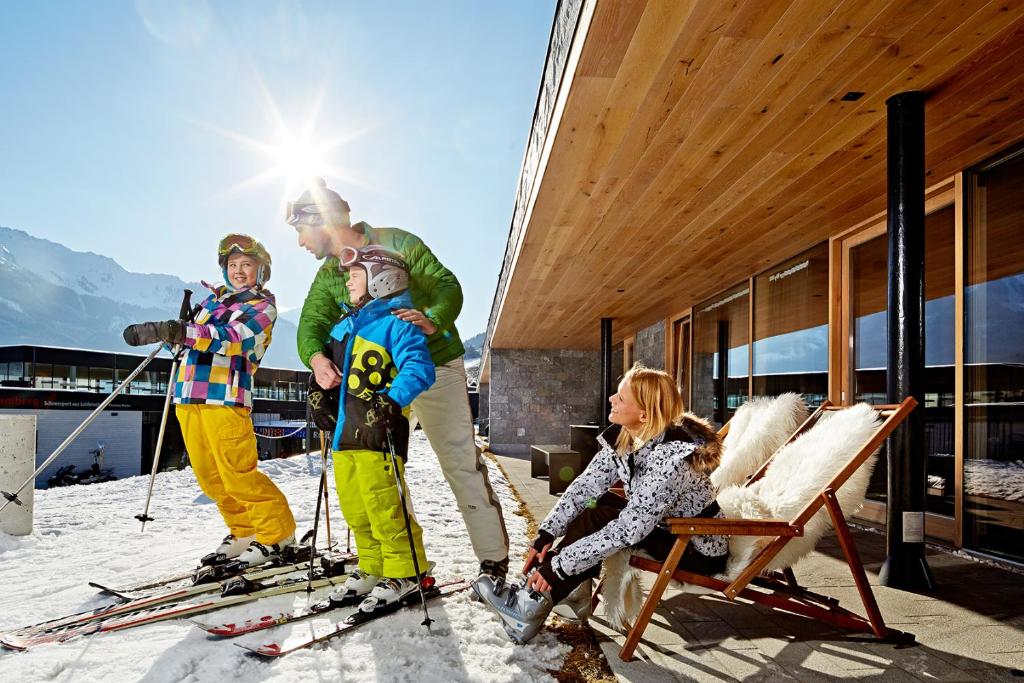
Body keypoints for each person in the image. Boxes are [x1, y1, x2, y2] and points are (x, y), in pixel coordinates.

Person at [289, 178, 510, 580]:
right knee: (381, 465)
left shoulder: (397, 241)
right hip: (376, 380)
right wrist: (318, 359)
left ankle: (494, 559)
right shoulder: (328, 275)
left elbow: (446, 286)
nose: (301, 241)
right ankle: (402, 561)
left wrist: (434, 319)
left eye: (302, 229)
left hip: (435, 362)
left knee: (460, 462)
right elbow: (311, 324)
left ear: (323, 220)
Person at [472, 364, 729, 644]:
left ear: (644, 414)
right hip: (666, 530)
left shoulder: (672, 461)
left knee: (604, 516)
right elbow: (585, 487)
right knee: (595, 506)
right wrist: (546, 533)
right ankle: (568, 593)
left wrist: (559, 565)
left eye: (621, 397)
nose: (611, 400)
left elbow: (627, 530)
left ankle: (529, 606)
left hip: (694, 547)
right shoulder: (629, 439)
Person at [123, 234, 296, 567]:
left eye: (247, 265)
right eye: (233, 265)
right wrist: (174, 336)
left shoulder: (261, 307)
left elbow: (233, 340)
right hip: (188, 396)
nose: (239, 271)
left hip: (225, 398)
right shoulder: (211, 304)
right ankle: (244, 530)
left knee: (238, 474)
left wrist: (183, 332)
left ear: (261, 271)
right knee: (209, 476)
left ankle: (277, 535)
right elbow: (190, 344)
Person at [308, 246, 436, 613]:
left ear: (382, 278)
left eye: (356, 272)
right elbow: (327, 368)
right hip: (345, 436)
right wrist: (316, 390)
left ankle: (406, 571)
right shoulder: (344, 326)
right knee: (356, 508)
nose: (347, 278)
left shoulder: (398, 323)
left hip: (380, 433)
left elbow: (418, 368)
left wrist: (391, 401)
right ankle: (372, 566)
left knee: (385, 507)